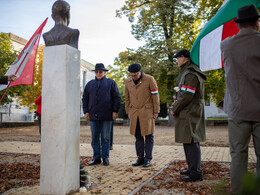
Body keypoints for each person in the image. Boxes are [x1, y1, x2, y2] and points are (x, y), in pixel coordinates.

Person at [220, 4, 260, 193]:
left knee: (238, 155)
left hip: (237, 108)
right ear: (257, 22)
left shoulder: (226, 45)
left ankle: (238, 191)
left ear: (238, 24)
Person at [171, 49, 206, 182]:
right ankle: (192, 168)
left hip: (189, 111)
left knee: (191, 141)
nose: (177, 61)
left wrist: (175, 109)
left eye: (178, 58)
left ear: (184, 58)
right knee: (188, 140)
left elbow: (186, 95)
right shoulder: (187, 71)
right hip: (189, 110)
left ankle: (196, 172)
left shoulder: (190, 73)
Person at [82, 63, 121, 166]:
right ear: (95, 73)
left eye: (101, 72)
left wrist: (115, 111)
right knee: (94, 137)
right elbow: (85, 99)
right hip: (93, 116)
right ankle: (96, 158)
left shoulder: (111, 83)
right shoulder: (90, 84)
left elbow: (117, 98)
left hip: (107, 115)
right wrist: (85, 111)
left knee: (105, 138)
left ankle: (105, 157)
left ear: (104, 72)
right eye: (97, 72)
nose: (99, 73)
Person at [125, 63, 160, 168]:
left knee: (149, 135)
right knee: (138, 136)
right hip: (134, 113)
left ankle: (148, 159)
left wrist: (156, 111)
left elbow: (155, 96)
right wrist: (128, 111)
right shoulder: (128, 81)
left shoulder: (150, 79)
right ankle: (140, 158)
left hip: (147, 112)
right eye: (131, 75)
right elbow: (126, 97)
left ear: (140, 71)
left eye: (135, 75)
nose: (133, 77)